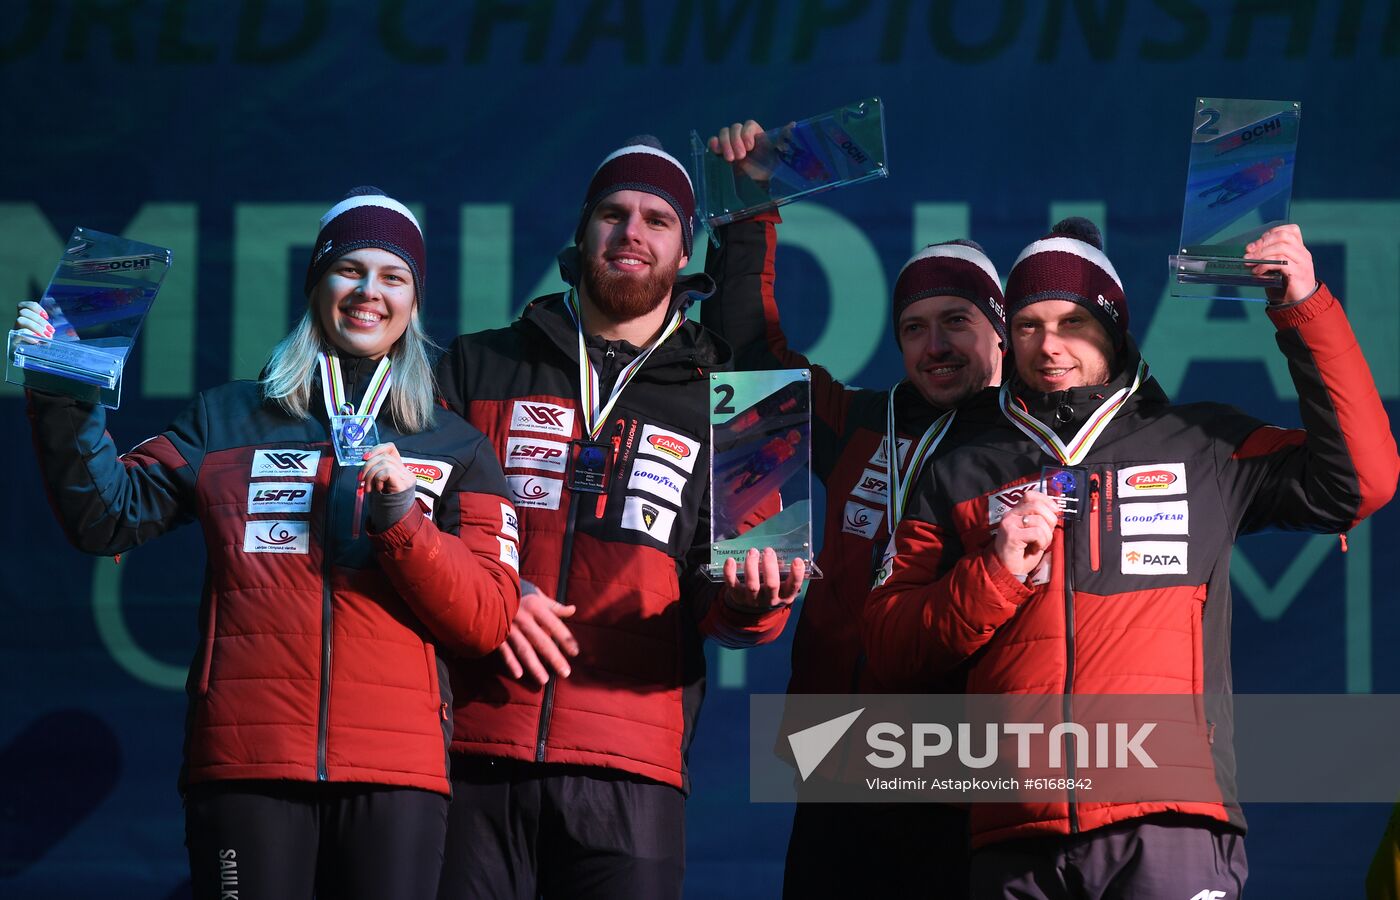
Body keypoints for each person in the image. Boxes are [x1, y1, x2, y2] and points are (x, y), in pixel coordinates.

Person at [865, 218, 1399, 898]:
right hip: (1016, 837)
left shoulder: (1199, 442)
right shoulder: (962, 471)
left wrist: (1303, 309)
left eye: (1073, 323)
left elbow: (1360, 480)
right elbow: (887, 645)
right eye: (1028, 325)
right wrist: (992, 575)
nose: (1049, 345)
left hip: (1169, 823)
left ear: (1113, 327)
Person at [18, 187, 521, 900]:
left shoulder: (457, 445)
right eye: (349, 269)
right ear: (317, 283)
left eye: (393, 276)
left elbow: (487, 619)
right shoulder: (228, 417)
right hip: (247, 762)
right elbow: (107, 516)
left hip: (396, 771)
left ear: (414, 302)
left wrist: (405, 520)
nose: (368, 292)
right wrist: (64, 387)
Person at [434, 136, 806, 899]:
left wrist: (750, 600)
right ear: (582, 235)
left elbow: (750, 611)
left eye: (658, 218)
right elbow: (409, 535)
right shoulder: (475, 365)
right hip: (466, 745)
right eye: (613, 212)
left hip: (631, 767)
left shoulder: (745, 397)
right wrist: (492, 595)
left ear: (685, 247)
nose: (631, 231)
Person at [705, 120, 1008, 898]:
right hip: (840, 761)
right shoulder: (862, 423)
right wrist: (748, 204)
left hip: (967, 773)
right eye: (914, 327)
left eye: (956, 322)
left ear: (1001, 336)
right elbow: (749, 355)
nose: (934, 344)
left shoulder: (1034, 448)